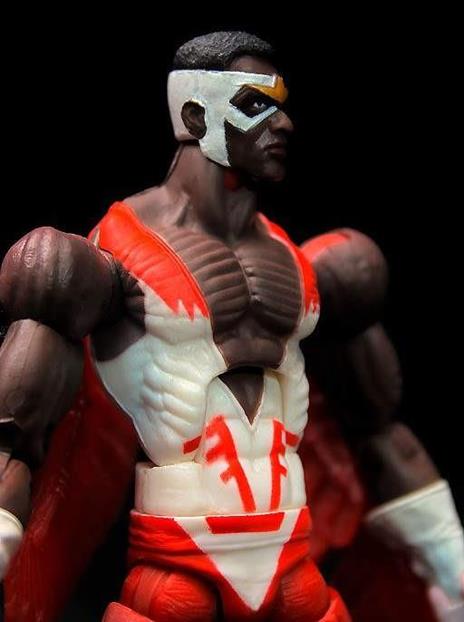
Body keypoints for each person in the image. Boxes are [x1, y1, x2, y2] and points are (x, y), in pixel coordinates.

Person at [0, 31, 462, 622]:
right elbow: (14, 437)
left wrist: (451, 566)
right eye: (254, 104)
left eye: (282, 103)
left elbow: (378, 430)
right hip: (176, 566)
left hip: (295, 558)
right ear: (196, 116)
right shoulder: (115, 254)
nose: (284, 123)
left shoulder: (299, 262)